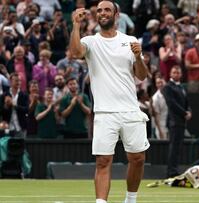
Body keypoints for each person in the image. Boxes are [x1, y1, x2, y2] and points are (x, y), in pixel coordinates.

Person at [69, 1, 150, 202]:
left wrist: (139, 57)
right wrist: (76, 25)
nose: (102, 13)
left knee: (138, 159)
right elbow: (76, 53)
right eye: (99, 11)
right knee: (103, 161)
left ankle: (130, 200)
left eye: (107, 10)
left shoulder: (130, 40)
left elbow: (141, 76)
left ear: (117, 14)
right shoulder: (89, 41)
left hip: (131, 110)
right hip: (105, 112)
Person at [162, 65, 192, 177]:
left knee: (177, 148)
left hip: (181, 122)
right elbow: (171, 104)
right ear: (170, 74)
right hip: (174, 122)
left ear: (181, 74)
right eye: (174, 72)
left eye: (178, 72)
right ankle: (171, 171)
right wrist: (185, 113)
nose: (176, 74)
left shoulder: (182, 87)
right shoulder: (167, 87)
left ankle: (174, 170)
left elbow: (187, 102)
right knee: (174, 147)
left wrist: (189, 111)